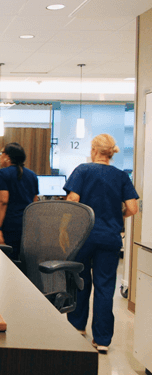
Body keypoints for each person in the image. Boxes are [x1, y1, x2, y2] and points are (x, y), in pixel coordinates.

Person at [64, 133, 139, 353]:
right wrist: (116, 217)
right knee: (105, 287)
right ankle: (103, 340)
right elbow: (133, 208)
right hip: (110, 238)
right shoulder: (121, 176)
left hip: (83, 236)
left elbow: (73, 199)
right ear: (110, 153)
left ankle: (77, 328)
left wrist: (66, 226)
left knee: (80, 281)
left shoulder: (83, 170)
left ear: (94, 149)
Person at [0, 143, 39, 259]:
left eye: (1, 153)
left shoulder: (2, 173)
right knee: (24, 261)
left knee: (7, 260)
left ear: (7, 157)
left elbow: (2, 201)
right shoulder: (32, 175)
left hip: (9, 225)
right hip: (27, 225)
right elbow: (34, 201)